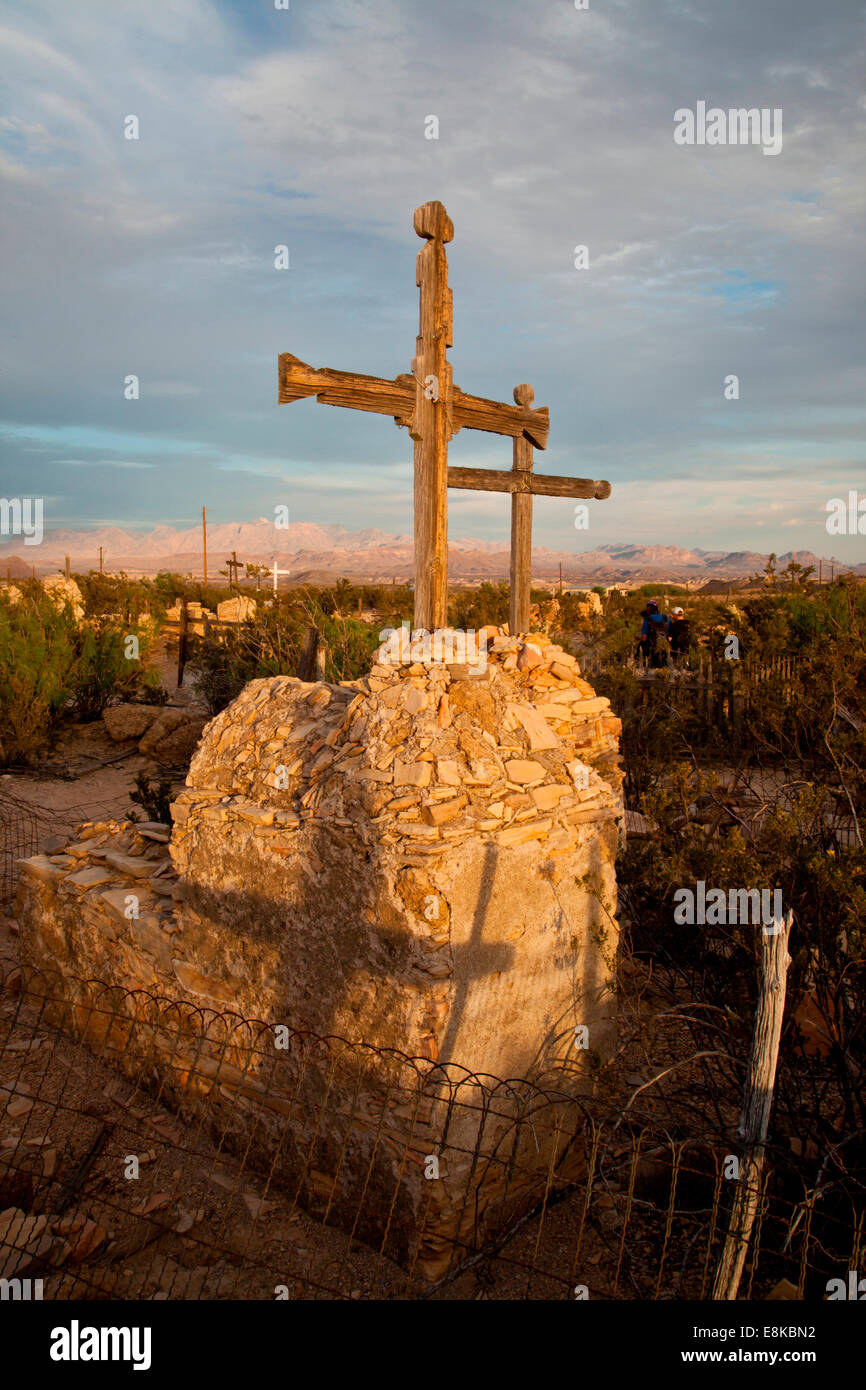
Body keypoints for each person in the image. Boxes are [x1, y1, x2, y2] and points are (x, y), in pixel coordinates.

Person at [637, 598, 670, 668]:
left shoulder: (647, 619)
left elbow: (644, 638)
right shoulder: (665, 618)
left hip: (651, 649)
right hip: (665, 647)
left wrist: (638, 637)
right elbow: (670, 634)